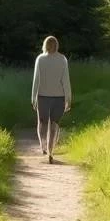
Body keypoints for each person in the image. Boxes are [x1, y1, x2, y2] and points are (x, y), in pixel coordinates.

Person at [31, 35, 71, 163]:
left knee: (42, 122)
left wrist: (33, 97)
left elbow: (36, 80)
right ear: (56, 45)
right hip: (59, 97)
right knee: (54, 124)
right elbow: (66, 81)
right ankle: (51, 150)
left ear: (45, 45)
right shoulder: (62, 59)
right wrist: (68, 98)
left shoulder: (40, 59)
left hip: (42, 96)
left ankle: (43, 146)